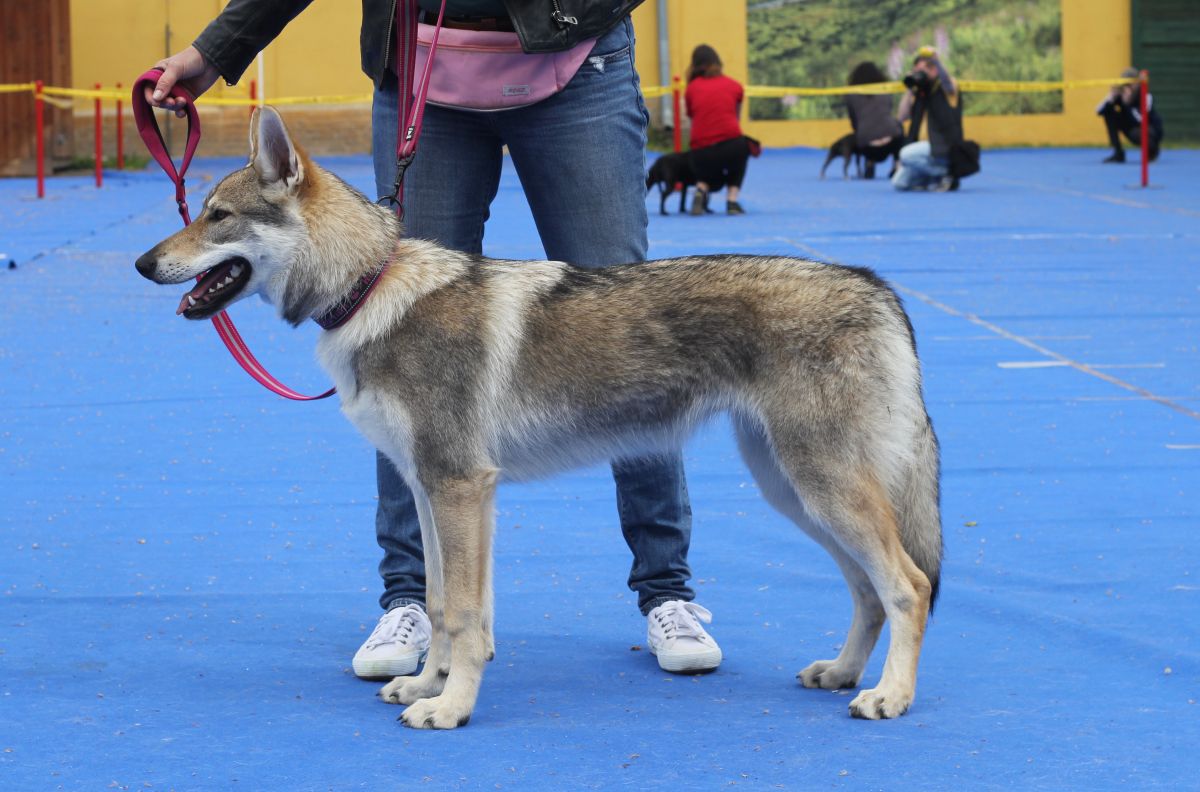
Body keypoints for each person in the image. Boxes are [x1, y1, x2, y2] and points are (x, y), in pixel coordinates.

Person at [147, 1, 723, 678]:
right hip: (425, 69)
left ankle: (666, 590)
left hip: (579, 63)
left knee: (633, 330)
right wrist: (213, 51)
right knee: (397, 360)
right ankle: (412, 599)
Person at [683, 44, 750, 215]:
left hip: (702, 150)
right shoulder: (735, 86)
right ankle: (732, 201)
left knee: (705, 168)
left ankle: (701, 189)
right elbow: (736, 118)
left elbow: (692, 116)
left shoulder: (691, 88)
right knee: (740, 156)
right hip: (732, 145)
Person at [892, 47, 963, 192]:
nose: (921, 73)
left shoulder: (946, 87)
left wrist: (936, 61)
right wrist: (910, 88)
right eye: (918, 70)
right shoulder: (919, 94)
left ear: (935, 69)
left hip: (943, 145)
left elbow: (948, 85)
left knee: (906, 154)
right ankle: (938, 180)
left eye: (926, 69)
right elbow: (901, 117)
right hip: (923, 151)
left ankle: (946, 173)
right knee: (899, 183)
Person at [844, 61, 904, 180]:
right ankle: (897, 165)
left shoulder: (850, 94)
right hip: (891, 141)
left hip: (867, 145)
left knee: (860, 131)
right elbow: (888, 110)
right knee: (898, 127)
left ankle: (869, 162)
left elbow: (854, 121)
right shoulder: (885, 91)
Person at [1097, 67, 1164, 164]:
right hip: (1131, 129)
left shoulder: (1145, 95)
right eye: (1125, 84)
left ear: (1137, 83)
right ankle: (1118, 153)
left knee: (1140, 132)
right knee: (1110, 114)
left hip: (1149, 131)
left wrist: (1127, 104)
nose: (1127, 87)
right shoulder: (1121, 94)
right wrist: (1110, 97)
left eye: (1130, 84)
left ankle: (1152, 151)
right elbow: (1099, 111)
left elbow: (1141, 120)